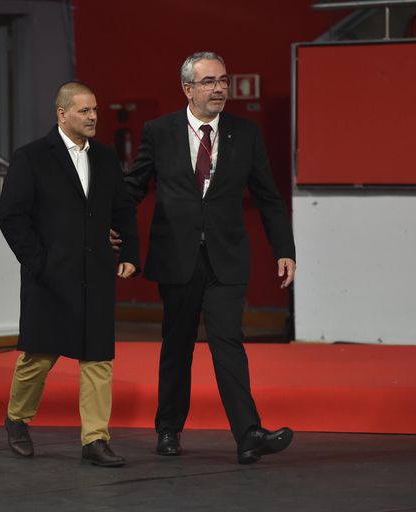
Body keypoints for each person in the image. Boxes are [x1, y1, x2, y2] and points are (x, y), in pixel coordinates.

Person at [123, 51, 296, 464]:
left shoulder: (245, 133)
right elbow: (132, 188)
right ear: (187, 88)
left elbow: (269, 199)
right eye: (208, 82)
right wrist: (105, 224)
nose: (219, 88)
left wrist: (284, 249)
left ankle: (248, 433)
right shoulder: (159, 131)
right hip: (177, 256)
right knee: (177, 345)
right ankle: (168, 429)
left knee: (228, 342)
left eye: (223, 80)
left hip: (227, 257)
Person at [0, 81, 139, 467]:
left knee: (98, 361)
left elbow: (123, 209)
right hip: (48, 277)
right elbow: (11, 217)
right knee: (39, 357)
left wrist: (129, 251)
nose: (93, 117)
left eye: (95, 110)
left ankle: (95, 440)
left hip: (95, 275)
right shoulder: (31, 158)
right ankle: (16, 420)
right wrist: (38, 263)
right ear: (62, 114)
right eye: (84, 111)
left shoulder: (107, 159)